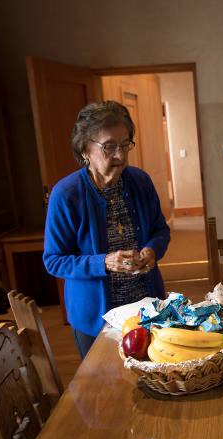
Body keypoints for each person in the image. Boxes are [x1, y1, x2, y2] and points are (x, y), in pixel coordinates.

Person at [44, 100, 170, 359]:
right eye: (109, 146)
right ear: (85, 149)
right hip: (96, 319)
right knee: (103, 393)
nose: (121, 155)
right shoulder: (66, 194)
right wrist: (104, 262)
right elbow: (54, 261)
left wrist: (152, 250)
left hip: (147, 311)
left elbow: (161, 229)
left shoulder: (140, 181)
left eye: (125, 145)